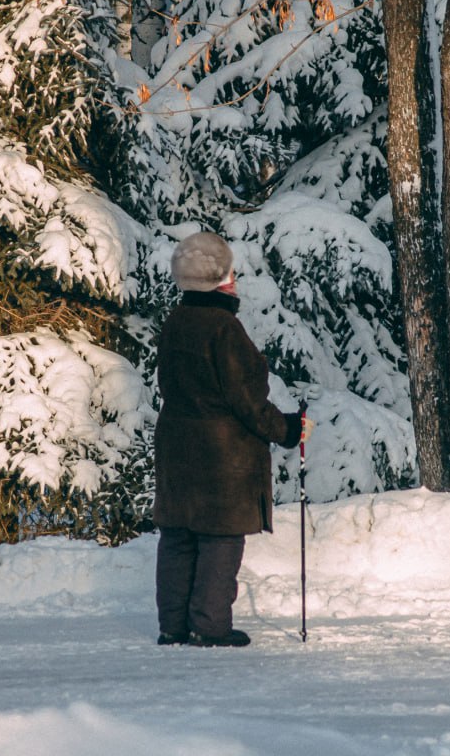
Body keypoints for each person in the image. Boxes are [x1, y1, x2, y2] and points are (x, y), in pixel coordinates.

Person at [152, 231, 313, 648]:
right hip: (221, 454)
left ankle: (173, 625)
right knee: (219, 536)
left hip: (176, 445)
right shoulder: (225, 328)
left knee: (179, 534)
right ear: (222, 279)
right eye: (231, 271)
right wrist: (290, 429)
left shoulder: (174, 322)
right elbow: (247, 402)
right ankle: (209, 626)